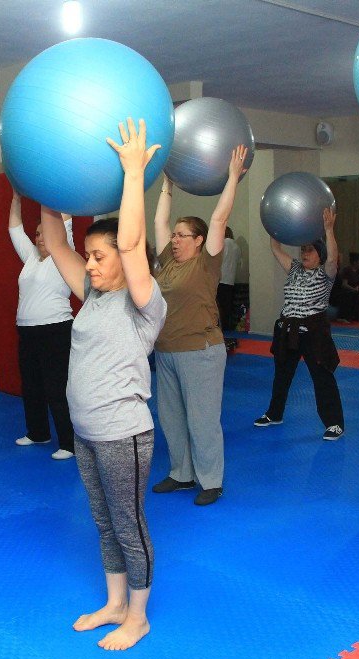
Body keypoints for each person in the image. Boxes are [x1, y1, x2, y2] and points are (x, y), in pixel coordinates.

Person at [40, 118, 166, 651]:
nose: (90, 264)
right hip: (86, 431)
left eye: (99, 255)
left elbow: (134, 243)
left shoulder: (144, 302)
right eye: (88, 255)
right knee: (102, 520)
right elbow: (51, 239)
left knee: (128, 523)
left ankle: (138, 616)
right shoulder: (92, 295)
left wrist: (133, 171)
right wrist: (44, 179)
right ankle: (115, 602)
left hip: (124, 433)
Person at [150, 146, 248, 506]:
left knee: (202, 420)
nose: (174, 240)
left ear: (199, 240)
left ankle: (211, 480)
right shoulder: (168, 264)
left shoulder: (206, 264)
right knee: (172, 419)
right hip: (167, 351)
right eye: (174, 236)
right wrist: (167, 185)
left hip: (202, 351)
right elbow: (158, 223)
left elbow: (220, 219)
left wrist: (233, 177)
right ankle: (181, 473)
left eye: (181, 236)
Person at [254, 208, 345, 441]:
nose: (305, 253)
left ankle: (334, 423)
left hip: (313, 333)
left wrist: (328, 230)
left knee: (322, 376)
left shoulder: (326, 274)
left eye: (310, 250)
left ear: (319, 254)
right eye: (303, 249)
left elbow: (334, 257)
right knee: (282, 375)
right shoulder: (294, 269)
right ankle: (275, 414)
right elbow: (276, 248)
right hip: (288, 331)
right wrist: (275, 226)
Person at [9, 192, 76, 460]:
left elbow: (66, 221)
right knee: (31, 384)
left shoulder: (63, 256)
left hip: (55, 329)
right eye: (36, 233)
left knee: (56, 387)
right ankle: (38, 432)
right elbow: (15, 229)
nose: (38, 237)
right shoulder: (30, 259)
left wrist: (48, 185)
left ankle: (69, 442)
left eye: (43, 232)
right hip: (27, 331)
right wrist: (16, 197)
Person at [217, 227, 241, 331]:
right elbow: (239, 263)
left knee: (218, 306)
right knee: (227, 306)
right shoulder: (237, 247)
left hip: (220, 279)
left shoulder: (222, 244)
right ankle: (226, 327)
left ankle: (218, 327)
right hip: (230, 280)